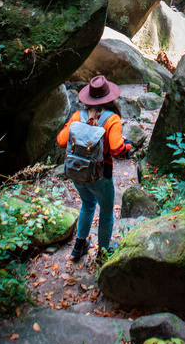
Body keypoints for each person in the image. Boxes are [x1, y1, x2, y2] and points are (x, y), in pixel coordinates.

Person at [56, 74, 132, 262]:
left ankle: (79, 247)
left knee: (88, 204)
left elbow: (61, 141)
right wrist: (128, 146)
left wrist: (70, 126)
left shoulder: (76, 116)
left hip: (77, 173)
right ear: (110, 98)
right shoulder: (112, 119)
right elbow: (116, 148)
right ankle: (103, 253)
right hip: (100, 176)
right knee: (106, 212)